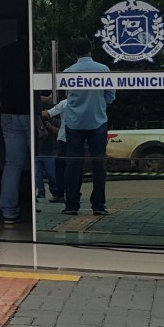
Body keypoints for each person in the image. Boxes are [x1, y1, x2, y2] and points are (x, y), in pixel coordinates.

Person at [57, 38, 114, 216]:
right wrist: (99, 106)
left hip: (74, 122)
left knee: (73, 164)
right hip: (98, 121)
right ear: (91, 49)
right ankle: (98, 205)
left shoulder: (68, 72)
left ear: (74, 52)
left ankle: (72, 205)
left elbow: (67, 96)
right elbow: (110, 96)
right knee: (99, 164)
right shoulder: (103, 70)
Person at [0, 38, 32, 227]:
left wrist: (2, 104)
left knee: (12, 164)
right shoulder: (37, 51)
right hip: (33, 114)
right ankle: (40, 209)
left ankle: (9, 213)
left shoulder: (4, 51)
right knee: (39, 160)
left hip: (9, 114)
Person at [35, 92, 62, 202]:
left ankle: (55, 192)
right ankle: (40, 193)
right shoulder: (35, 121)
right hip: (38, 152)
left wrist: (50, 127)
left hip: (50, 152)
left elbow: (60, 133)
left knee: (51, 175)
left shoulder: (54, 121)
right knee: (37, 175)